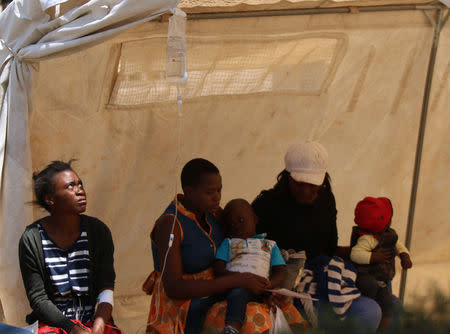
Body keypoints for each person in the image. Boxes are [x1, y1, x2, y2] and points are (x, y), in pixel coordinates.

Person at [144, 158, 304, 333]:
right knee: (253, 317)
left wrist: (264, 288)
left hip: (222, 289)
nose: (217, 197)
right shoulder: (171, 224)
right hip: (184, 303)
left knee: (282, 307)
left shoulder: (212, 213)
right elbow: (174, 288)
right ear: (189, 192)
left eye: (219, 190)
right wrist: (236, 280)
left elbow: (242, 244)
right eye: (210, 192)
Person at [251, 141, 387, 332]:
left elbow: (329, 249)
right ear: (287, 176)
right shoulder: (266, 204)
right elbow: (252, 251)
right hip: (286, 286)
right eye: (299, 183)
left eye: (312, 184)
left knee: (370, 311)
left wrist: (366, 254)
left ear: (323, 178)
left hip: (321, 276)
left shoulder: (326, 199)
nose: (306, 191)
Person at [18, 160, 120, 334]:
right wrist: (71, 328)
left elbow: (106, 286)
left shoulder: (98, 231)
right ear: (50, 199)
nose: (80, 190)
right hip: (53, 325)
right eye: (70, 186)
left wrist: (100, 323)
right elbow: (38, 299)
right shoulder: (31, 238)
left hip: (93, 322)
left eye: (80, 184)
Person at [214, 199, 287, 334]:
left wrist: (270, 285)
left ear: (254, 219)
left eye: (241, 220)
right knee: (238, 293)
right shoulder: (229, 243)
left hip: (261, 288)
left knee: (283, 303)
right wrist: (238, 279)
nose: (236, 226)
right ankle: (232, 328)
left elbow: (280, 270)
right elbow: (218, 269)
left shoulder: (269, 245)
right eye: (231, 224)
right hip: (233, 286)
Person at [350, 197, 412, 330]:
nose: (391, 222)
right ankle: (373, 308)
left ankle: (383, 328)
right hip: (365, 276)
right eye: (389, 219)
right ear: (383, 221)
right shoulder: (368, 239)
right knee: (369, 285)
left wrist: (404, 255)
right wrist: (373, 257)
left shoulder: (388, 235)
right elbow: (355, 254)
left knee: (388, 302)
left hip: (381, 282)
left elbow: (398, 245)